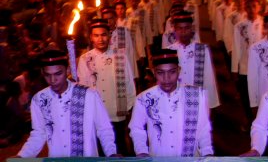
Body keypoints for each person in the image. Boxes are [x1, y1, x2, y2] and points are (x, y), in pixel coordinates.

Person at [16, 50, 117, 157]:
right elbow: (38, 134)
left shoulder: (88, 95)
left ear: (68, 70)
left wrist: (111, 153)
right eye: (47, 75)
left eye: (58, 74)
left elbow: (104, 128)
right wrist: (22, 156)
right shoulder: (39, 99)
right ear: (42, 73)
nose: (53, 80)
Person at [128, 49, 213, 157]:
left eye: (172, 72)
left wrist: (207, 153)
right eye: (160, 73)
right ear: (154, 72)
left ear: (179, 70)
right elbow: (136, 128)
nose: (166, 78)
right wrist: (141, 151)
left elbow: (204, 129)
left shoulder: (196, 96)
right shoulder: (144, 99)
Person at [77, 19, 136, 155]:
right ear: (91, 37)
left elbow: (129, 83)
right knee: (101, 149)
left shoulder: (120, 56)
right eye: (96, 35)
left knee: (120, 146)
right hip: (96, 114)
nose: (100, 39)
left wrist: (127, 108)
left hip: (116, 112)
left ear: (109, 35)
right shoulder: (85, 59)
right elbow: (83, 89)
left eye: (103, 35)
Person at [168, 10, 220, 109]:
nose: (183, 32)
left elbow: (208, 77)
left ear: (192, 29)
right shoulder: (169, 51)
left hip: (197, 101)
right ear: (174, 29)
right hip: (176, 102)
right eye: (180, 28)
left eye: (187, 28)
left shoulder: (202, 49)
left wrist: (211, 105)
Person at [231, 0, 263, 120]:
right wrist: (235, 68)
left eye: (254, 6)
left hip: (261, 68)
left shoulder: (265, 24)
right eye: (249, 6)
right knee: (246, 96)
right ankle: (250, 120)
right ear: (245, 8)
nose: (251, 9)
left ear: (259, 7)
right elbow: (237, 47)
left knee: (260, 96)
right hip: (245, 67)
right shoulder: (239, 26)